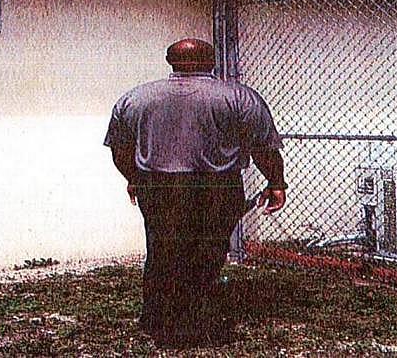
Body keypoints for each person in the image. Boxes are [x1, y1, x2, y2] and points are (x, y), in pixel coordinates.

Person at [104, 37, 287, 344]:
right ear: (212, 61)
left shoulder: (135, 98)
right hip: (216, 186)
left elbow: (119, 149)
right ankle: (197, 324)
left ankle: (157, 319)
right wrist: (276, 182)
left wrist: (133, 177)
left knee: (162, 250)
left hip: (158, 186)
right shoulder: (238, 96)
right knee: (207, 252)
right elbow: (264, 147)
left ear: (169, 61)